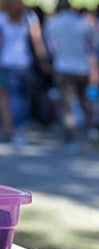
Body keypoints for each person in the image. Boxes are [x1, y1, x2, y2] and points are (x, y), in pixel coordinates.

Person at [43, 0, 99, 153]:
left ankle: (71, 139)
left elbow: (51, 47)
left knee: (66, 106)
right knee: (86, 102)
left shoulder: (52, 23)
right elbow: (93, 47)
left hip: (63, 67)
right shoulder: (83, 23)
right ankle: (93, 131)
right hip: (83, 68)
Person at [0, 0, 48, 146]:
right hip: (24, 63)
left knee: (10, 98)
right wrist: (43, 59)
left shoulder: (2, 17)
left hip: (6, 63)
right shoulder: (28, 16)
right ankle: (19, 127)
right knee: (23, 97)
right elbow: (37, 40)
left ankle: (11, 128)